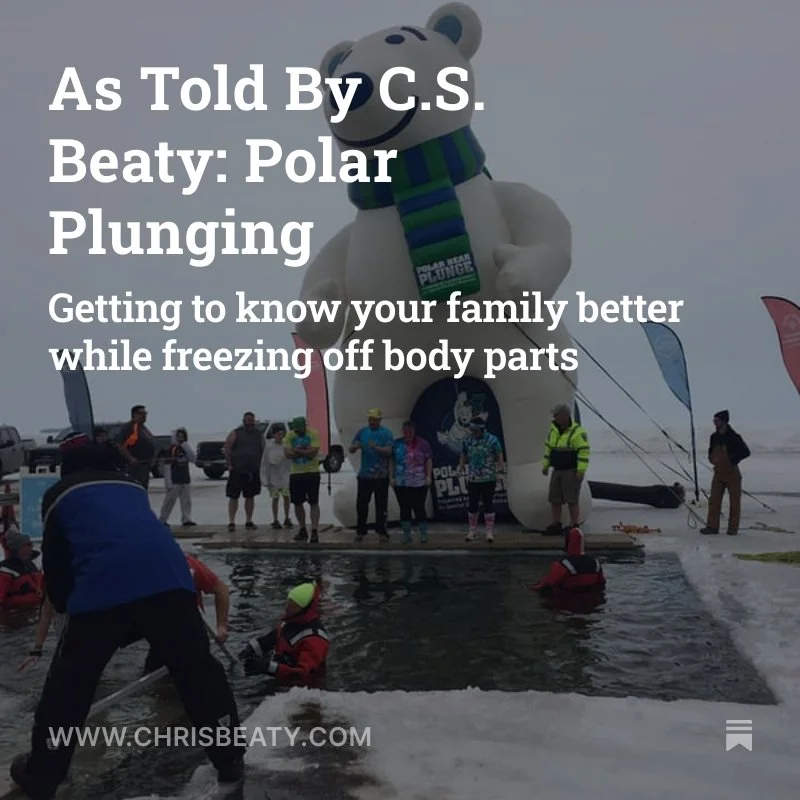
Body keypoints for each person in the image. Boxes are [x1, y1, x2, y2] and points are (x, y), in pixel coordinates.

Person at [8, 432, 244, 798]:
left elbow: (56, 570)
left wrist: (73, 609)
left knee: (68, 690)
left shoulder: (60, 495)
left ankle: (44, 774)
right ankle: (230, 759)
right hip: (171, 585)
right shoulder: (131, 485)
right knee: (200, 674)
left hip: (102, 593)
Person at [144, 553, 230, 673]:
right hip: (162, 634)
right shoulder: (143, 568)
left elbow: (221, 590)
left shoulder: (189, 565)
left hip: (190, 632)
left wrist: (221, 626)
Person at [239, 581, 328, 688]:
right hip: (281, 673)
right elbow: (269, 640)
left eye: (293, 606)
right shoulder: (288, 622)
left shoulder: (315, 639)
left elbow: (302, 674)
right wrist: (250, 650)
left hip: (302, 688)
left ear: (304, 610)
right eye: (288, 604)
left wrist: (268, 667)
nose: (287, 609)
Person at [541, 404, 590, 536]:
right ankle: (556, 524)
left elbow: (583, 452)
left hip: (571, 470)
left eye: (556, 415)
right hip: (557, 469)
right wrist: (545, 465)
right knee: (554, 498)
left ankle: (574, 524)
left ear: (564, 416)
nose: (554, 417)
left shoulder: (578, 432)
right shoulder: (553, 431)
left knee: (572, 498)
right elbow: (548, 449)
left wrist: (581, 470)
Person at [701, 410, 751, 536]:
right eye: (714, 421)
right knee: (714, 501)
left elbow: (746, 452)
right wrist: (712, 459)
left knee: (734, 502)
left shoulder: (734, 437)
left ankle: (732, 529)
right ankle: (712, 527)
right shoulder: (714, 437)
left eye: (717, 420)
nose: (715, 423)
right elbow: (711, 451)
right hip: (718, 473)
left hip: (732, 473)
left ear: (723, 421)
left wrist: (732, 459)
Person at [350, 409, 394, 542]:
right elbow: (351, 448)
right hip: (365, 475)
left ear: (379, 420)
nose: (372, 422)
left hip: (381, 476)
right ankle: (361, 531)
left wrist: (376, 448)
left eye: (375, 420)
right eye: (370, 419)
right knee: (362, 504)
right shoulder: (362, 432)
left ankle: (381, 531)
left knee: (381, 505)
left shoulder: (386, 433)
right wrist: (355, 447)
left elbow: (389, 452)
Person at [459, 418, 504, 542]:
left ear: (482, 429)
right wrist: (461, 465)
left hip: (488, 477)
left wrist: (500, 470)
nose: (473, 432)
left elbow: (499, 454)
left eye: (475, 430)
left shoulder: (492, 440)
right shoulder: (468, 440)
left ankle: (489, 531)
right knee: (472, 504)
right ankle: (472, 530)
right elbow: (463, 453)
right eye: (471, 430)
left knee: (488, 503)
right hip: (473, 478)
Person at [390, 420, 433, 544]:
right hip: (402, 482)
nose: (408, 434)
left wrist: (428, 476)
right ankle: (406, 534)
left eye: (410, 432)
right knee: (404, 508)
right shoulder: (397, 444)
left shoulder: (423, 444)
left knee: (419, 508)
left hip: (419, 482)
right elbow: (391, 461)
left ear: (414, 432)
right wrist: (391, 477)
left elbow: (428, 460)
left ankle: (423, 533)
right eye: (405, 432)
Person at [531, 527, 606, 594]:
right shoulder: (596, 564)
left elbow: (547, 586)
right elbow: (601, 584)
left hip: (565, 603)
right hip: (592, 604)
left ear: (568, 543)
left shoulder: (562, 565)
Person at [223, 411, 264, 532]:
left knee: (250, 497)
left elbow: (264, 449)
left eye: (251, 420)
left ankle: (249, 520)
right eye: (247, 420)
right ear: (243, 421)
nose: (249, 422)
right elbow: (227, 447)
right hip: (237, 470)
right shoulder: (236, 433)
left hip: (253, 471)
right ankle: (231, 522)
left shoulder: (258, 434)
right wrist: (229, 464)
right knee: (233, 496)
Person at [284, 417, 322, 543]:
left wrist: (298, 451)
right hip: (296, 473)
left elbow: (313, 453)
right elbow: (288, 454)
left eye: (301, 430)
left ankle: (315, 530)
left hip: (312, 472)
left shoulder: (313, 434)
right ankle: (302, 528)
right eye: (297, 430)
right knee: (297, 502)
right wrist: (305, 451)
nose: (299, 432)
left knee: (313, 502)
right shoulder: (289, 436)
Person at [158, 428, 196, 528]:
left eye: (182, 436)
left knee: (186, 501)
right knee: (169, 501)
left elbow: (193, 459)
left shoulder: (185, 447)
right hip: (174, 480)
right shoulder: (171, 449)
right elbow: (167, 467)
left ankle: (186, 519)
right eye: (178, 436)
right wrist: (168, 482)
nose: (180, 438)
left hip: (185, 479)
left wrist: (186, 447)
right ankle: (163, 519)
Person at [115, 404, 156, 489]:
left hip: (145, 466)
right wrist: (130, 458)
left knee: (143, 488)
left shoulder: (143, 428)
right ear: (135, 414)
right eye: (142, 413)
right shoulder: (129, 427)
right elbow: (119, 444)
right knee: (136, 487)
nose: (144, 415)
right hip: (134, 467)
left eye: (145, 413)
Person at [0, 532, 44, 610]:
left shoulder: (31, 565)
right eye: (28, 544)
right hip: (13, 615)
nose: (32, 546)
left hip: (33, 611)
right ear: (19, 548)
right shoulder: (6, 569)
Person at [260, 424, 292, 530]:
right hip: (273, 478)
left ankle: (287, 517)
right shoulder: (269, 446)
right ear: (274, 435)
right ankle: (275, 519)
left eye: (282, 434)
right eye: (278, 434)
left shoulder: (286, 445)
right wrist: (264, 478)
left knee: (286, 497)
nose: (280, 436)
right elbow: (264, 462)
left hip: (285, 476)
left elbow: (290, 460)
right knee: (275, 498)